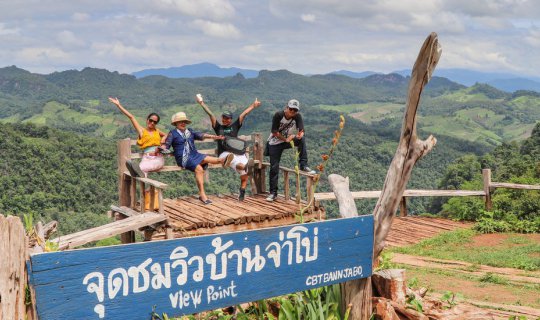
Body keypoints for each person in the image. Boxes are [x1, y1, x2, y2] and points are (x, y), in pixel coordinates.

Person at [196, 94, 261, 201]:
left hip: (238, 152)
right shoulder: (218, 127)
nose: (225, 120)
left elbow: (243, 115)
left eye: (227, 118)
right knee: (240, 164)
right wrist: (202, 103)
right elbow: (211, 114)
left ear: (231, 119)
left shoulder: (234, 126)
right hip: (225, 153)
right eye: (223, 117)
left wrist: (253, 106)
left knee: (245, 174)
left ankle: (242, 191)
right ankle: (245, 167)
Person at [162, 112, 234, 205]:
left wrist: (215, 137)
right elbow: (166, 145)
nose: (183, 123)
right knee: (199, 169)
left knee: (214, 159)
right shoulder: (173, 133)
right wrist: (162, 146)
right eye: (180, 122)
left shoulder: (190, 131)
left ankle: (223, 161)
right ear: (176, 123)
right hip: (183, 157)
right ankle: (202, 195)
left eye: (184, 121)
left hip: (194, 154)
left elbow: (202, 135)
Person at [109, 97, 165, 210]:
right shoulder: (142, 131)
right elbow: (131, 117)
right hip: (146, 158)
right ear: (147, 120)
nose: (152, 123)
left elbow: (168, 135)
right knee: (140, 172)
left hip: (157, 158)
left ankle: (146, 192)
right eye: (151, 120)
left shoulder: (157, 131)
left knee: (140, 170)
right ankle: (146, 194)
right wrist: (118, 105)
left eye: (155, 122)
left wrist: (162, 144)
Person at [265, 99, 316, 202]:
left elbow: (301, 130)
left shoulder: (297, 116)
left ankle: (303, 164)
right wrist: (285, 139)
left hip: (287, 140)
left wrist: (299, 135)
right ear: (287, 107)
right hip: (274, 143)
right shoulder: (278, 115)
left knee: (302, 140)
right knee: (274, 167)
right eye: (291, 109)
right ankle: (273, 193)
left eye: (295, 110)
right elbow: (274, 132)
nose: (292, 112)